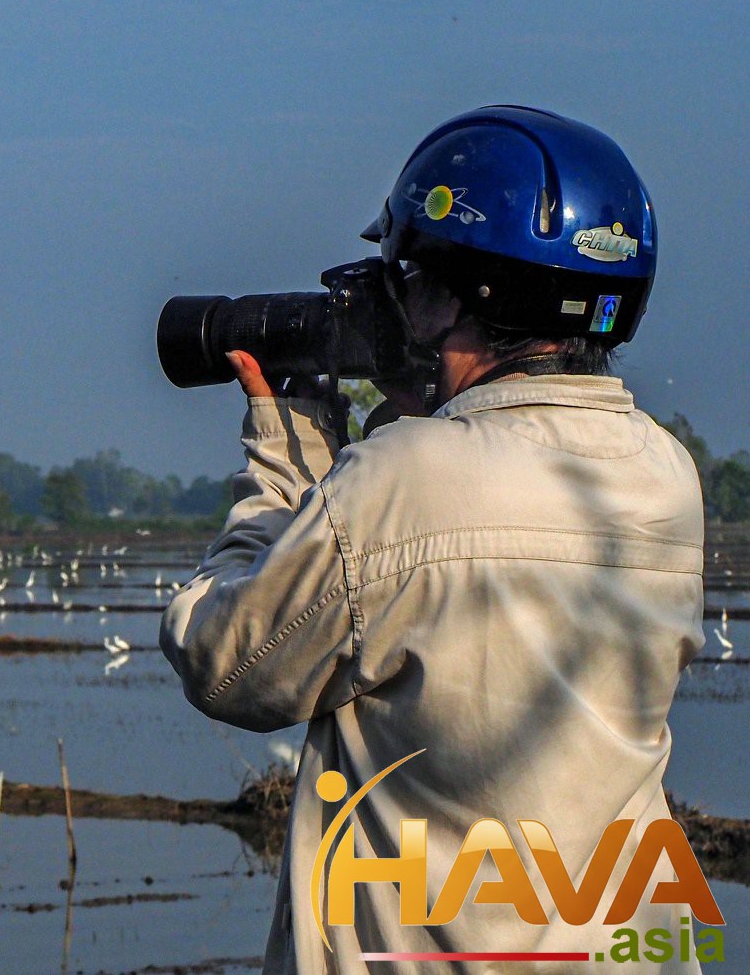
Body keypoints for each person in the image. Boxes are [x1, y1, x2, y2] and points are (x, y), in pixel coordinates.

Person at [160, 106, 708, 972]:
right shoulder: (664, 474)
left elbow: (226, 663)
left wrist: (283, 463)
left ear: (465, 294)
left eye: (410, 280)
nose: (395, 305)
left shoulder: (401, 477)